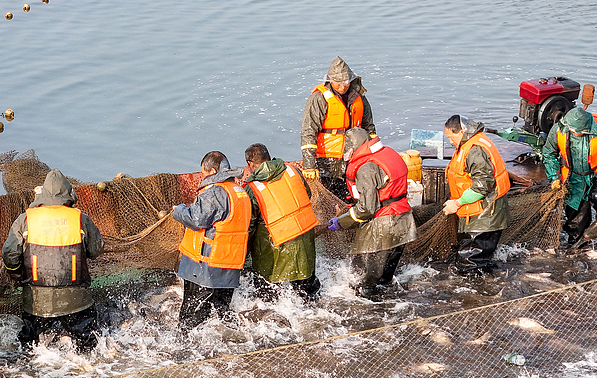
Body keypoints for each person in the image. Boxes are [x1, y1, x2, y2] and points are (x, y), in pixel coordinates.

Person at [2, 169, 105, 351]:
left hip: (36, 303)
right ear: (68, 194)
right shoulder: (81, 219)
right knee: (87, 345)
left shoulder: (25, 219)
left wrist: (17, 274)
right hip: (76, 300)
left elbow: (9, 256)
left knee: (32, 347)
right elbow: (96, 251)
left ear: (42, 194)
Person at [327, 128, 417, 299]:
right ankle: (390, 307)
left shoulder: (365, 168)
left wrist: (343, 221)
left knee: (363, 279)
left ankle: (368, 307)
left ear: (354, 147)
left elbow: (367, 208)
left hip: (383, 225)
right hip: (404, 221)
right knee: (385, 276)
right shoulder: (387, 153)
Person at [173, 151, 252, 332]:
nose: (203, 177)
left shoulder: (216, 192)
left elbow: (197, 219)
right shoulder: (239, 192)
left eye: (204, 173)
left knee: (191, 317)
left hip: (205, 267)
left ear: (213, 171)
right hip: (230, 265)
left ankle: (185, 348)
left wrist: (178, 210)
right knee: (220, 313)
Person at [541, 107, 597, 245]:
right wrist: (554, 177)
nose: (574, 133)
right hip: (573, 176)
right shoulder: (559, 128)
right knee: (575, 218)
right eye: (571, 131)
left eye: (578, 132)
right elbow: (549, 153)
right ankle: (577, 244)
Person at [242, 143, 321, 302]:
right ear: (269, 157)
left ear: (250, 164)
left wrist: (244, 252)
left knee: (267, 290)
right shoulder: (293, 170)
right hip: (304, 236)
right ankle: (314, 303)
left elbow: (249, 224)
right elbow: (307, 193)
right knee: (307, 288)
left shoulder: (253, 187)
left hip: (276, 246)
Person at [441, 115, 511, 274]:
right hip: (479, 211)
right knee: (477, 260)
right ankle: (486, 280)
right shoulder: (469, 142)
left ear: (460, 132)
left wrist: (457, 203)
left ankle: (475, 294)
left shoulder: (475, 150)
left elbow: (482, 186)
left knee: (469, 264)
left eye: (451, 137)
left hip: (486, 214)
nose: (450, 142)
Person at [301, 56, 376, 201]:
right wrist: (309, 165)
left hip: (354, 157)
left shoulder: (359, 97)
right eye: (338, 83)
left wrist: (374, 154)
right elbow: (308, 131)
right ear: (330, 81)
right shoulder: (318, 98)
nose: (343, 87)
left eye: (346, 83)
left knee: (353, 195)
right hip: (327, 161)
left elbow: (369, 128)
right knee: (326, 199)